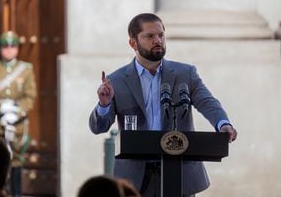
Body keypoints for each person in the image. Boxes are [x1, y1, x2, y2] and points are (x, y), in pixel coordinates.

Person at [89, 13, 237, 196]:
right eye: (150, 36)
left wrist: (223, 124)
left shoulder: (185, 73)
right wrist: (104, 105)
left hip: (179, 172)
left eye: (161, 35)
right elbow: (98, 127)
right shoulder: (117, 81)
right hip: (135, 179)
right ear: (133, 43)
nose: (157, 40)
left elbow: (207, 102)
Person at [0, 31, 37, 197]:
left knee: (17, 161)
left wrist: (16, 112)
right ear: (0, 48)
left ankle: (17, 194)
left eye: (13, 46)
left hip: (16, 124)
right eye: (6, 46)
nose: (9, 50)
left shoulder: (26, 70)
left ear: (17, 49)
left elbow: (30, 96)